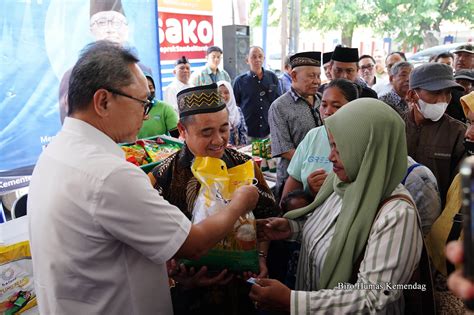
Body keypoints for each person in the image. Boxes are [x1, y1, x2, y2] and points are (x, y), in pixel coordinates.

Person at [28, 41, 259, 314]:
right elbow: (194, 244)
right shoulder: (110, 174)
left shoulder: (57, 152)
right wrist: (239, 204)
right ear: (103, 101)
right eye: (142, 102)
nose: (146, 113)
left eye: (223, 130)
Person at [250, 99, 422, 313]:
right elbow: (332, 233)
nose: (330, 157)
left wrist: (292, 301)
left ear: (367, 150)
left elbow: (373, 298)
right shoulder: (341, 183)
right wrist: (291, 229)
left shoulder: (396, 215)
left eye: (339, 148)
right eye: (331, 145)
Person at [148, 83, 277, 315]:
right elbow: (149, 239)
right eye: (206, 132)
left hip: (238, 291)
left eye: (224, 129)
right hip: (186, 295)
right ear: (182, 130)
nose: (218, 140)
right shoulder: (163, 176)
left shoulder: (244, 166)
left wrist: (260, 257)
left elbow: (267, 218)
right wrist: (172, 273)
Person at [58, 0, 150, 124]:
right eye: (101, 23)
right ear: (90, 30)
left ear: (126, 28)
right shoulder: (71, 75)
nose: (110, 29)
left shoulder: (143, 71)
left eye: (116, 22)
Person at [282, 78, 359, 199]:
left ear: (353, 108)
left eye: (336, 106)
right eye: (324, 105)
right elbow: (291, 188)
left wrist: (329, 188)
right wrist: (310, 190)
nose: (327, 111)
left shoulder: (360, 139)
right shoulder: (313, 136)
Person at [405, 62, 466, 206]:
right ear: (412, 94)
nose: (443, 100)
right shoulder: (394, 126)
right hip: (395, 213)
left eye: (447, 93)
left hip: (436, 219)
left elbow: (458, 189)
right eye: (436, 92)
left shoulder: (458, 132)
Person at [268, 51, 323, 200]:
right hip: (293, 180)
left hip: (322, 178)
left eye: (318, 76)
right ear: (293, 76)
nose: (317, 81)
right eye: (311, 76)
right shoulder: (279, 107)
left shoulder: (322, 101)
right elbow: (284, 149)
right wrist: (316, 162)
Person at [233, 46, 281, 139]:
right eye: (253, 57)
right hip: (248, 132)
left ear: (264, 58)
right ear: (247, 60)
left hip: (269, 130)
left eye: (260, 56)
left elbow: (278, 102)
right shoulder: (240, 81)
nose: (257, 59)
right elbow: (235, 106)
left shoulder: (272, 77)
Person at [137, 72, 179, 138]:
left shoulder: (165, 108)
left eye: (150, 87)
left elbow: (177, 136)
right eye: (144, 87)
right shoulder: (129, 110)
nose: (148, 91)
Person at [217, 80, 248, 146]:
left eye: (226, 92)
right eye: (219, 93)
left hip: (238, 150)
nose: (223, 95)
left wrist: (242, 147)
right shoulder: (214, 113)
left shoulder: (237, 110)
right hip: (222, 151)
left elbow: (243, 130)